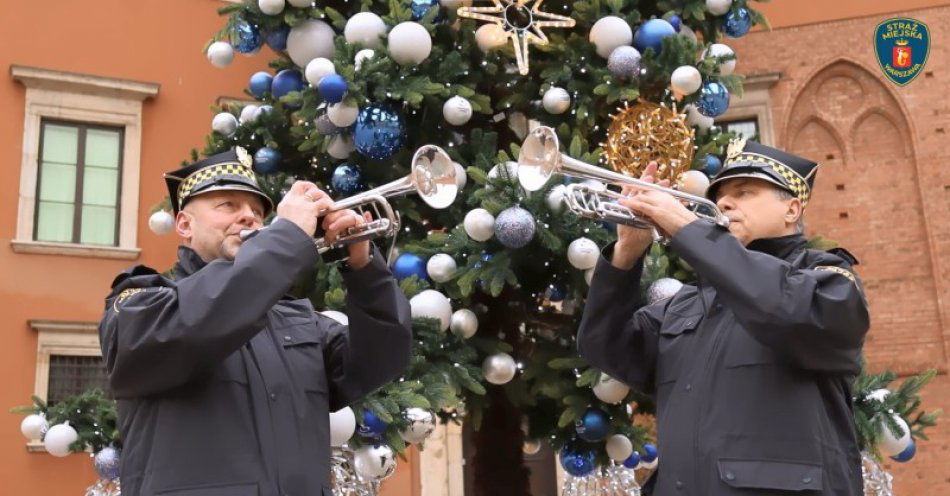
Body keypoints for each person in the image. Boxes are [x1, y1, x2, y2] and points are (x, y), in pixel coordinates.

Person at [98, 148, 412, 496]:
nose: (249, 217)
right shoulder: (141, 301)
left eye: (258, 211)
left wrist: (364, 266)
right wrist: (288, 237)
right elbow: (206, 314)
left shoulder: (297, 318)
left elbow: (381, 359)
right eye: (229, 205)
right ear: (185, 225)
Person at [577, 138, 869, 495]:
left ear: (792, 209)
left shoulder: (828, 277)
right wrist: (626, 253)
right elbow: (603, 346)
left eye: (744, 192)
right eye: (719, 195)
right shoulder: (687, 302)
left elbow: (785, 308)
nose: (724, 202)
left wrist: (690, 230)